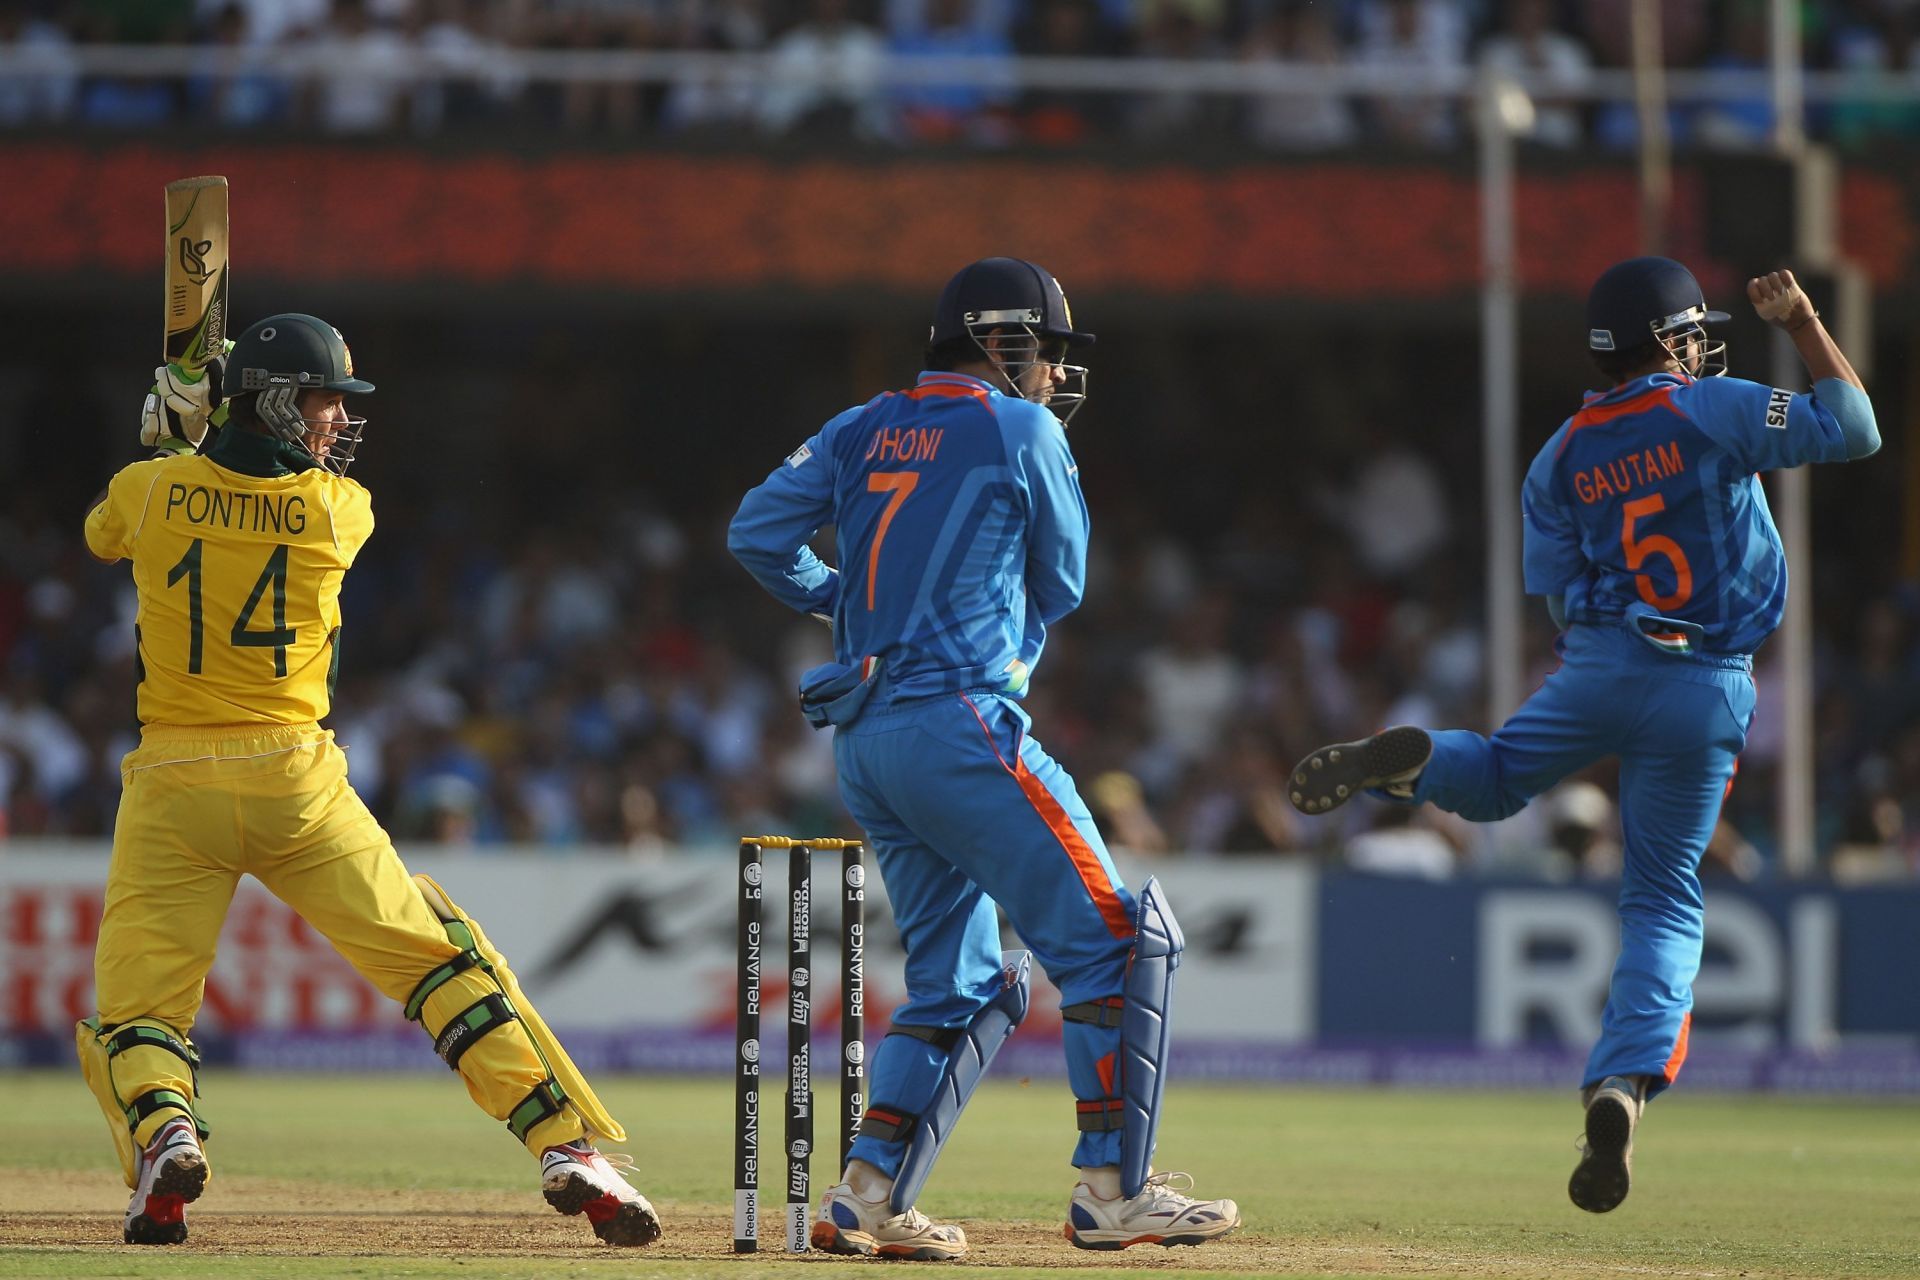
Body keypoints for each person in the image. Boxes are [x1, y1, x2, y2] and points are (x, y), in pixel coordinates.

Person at [1286, 258, 1880, 1213]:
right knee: (1662, 897)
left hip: (1599, 664)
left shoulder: (1557, 456)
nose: (1701, 346)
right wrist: (1806, 323)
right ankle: (1624, 1079)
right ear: (1673, 339)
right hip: (1704, 680)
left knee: (1494, 784)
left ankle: (1419, 758)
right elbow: (1855, 429)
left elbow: (1560, 597)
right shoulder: (1715, 404)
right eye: (1693, 332)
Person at [78, 314, 659, 1248]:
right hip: (296, 780)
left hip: (175, 780)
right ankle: (566, 1146)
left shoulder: (148, 492)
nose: (337, 420)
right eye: (322, 400)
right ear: (272, 400)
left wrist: (167, 438)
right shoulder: (340, 511)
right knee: (437, 962)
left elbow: (109, 533)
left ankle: (165, 1139)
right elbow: (259, 493)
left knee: (140, 1005)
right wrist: (194, 443)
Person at [729, 258, 1239, 1259]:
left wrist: (847, 600)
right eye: (1047, 351)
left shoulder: (859, 424)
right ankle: (1114, 1189)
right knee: (1115, 942)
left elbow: (757, 534)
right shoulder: (1023, 428)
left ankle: (869, 1194)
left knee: (965, 983)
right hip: (962, 723)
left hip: (868, 739)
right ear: (1005, 343)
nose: (1055, 374)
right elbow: (1065, 580)